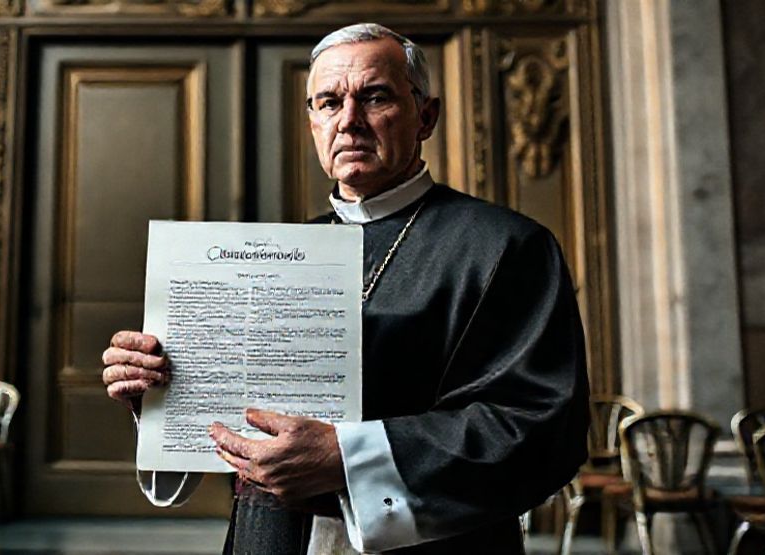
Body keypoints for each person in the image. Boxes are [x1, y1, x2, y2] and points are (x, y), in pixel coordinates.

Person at [101, 23, 589, 554]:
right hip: (269, 536)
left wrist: (349, 458)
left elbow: (541, 428)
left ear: (426, 116)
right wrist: (165, 391)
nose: (349, 122)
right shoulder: (282, 254)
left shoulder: (507, 246)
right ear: (312, 122)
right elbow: (238, 414)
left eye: (375, 97)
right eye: (329, 103)